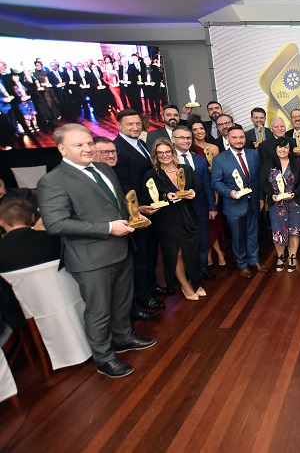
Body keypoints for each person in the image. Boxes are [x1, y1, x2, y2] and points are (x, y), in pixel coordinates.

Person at [37, 124, 156, 378]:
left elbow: (116, 205)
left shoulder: (104, 169)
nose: (87, 148)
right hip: (90, 259)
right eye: (78, 145)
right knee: (99, 311)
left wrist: (135, 216)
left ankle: (123, 338)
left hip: (121, 249)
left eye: (89, 143)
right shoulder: (52, 181)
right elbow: (56, 224)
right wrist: (108, 228)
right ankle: (104, 358)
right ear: (62, 149)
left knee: (122, 302)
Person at [112, 109, 161, 320]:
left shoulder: (141, 143)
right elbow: (123, 181)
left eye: (137, 124)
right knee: (141, 255)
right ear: (119, 126)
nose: (135, 127)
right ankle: (143, 296)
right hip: (136, 211)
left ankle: (151, 286)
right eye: (130, 124)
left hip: (151, 207)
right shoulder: (117, 148)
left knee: (151, 251)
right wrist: (137, 207)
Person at [142, 139, 205, 300]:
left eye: (167, 152)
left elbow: (197, 187)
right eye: (160, 153)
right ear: (155, 155)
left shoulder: (185, 169)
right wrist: (166, 196)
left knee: (191, 251)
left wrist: (193, 192)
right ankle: (185, 286)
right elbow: (147, 197)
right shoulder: (151, 174)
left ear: (172, 152)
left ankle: (194, 282)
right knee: (176, 253)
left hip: (188, 216)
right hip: (167, 219)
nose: (164, 155)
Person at [0, 198, 61, 332]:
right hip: (68, 300)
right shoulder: (55, 240)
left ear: (1, 222)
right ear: (32, 217)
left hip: (28, 315)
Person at [211, 125, 264, 278]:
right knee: (238, 237)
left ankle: (254, 260)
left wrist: (261, 197)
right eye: (234, 137)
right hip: (234, 205)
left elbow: (258, 178)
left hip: (253, 202)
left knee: (253, 234)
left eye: (241, 137)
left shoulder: (254, 154)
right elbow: (215, 182)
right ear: (228, 139)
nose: (239, 140)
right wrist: (230, 192)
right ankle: (242, 264)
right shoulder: (220, 159)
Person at [171, 125, 218, 282]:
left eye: (188, 138)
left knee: (203, 240)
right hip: (178, 209)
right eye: (182, 138)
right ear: (173, 140)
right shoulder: (169, 160)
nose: (186, 141)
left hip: (200, 207)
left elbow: (207, 186)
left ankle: (202, 269)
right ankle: (188, 273)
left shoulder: (200, 159)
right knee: (184, 243)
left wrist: (212, 206)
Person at [262, 137, 300, 271]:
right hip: (276, 204)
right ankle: (281, 257)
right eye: (280, 147)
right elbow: (263, 182)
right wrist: (271, 194)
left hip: (295, 203)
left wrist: (295, 193)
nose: (283, 150)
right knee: (278, 231)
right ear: (275, 148)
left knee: (294, 231)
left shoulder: (296, 162)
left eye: (286, 147)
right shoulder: (268, 162)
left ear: (290, 149)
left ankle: (293, 256)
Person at [189, 119, 227, 268]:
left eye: (201, 128)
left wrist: (216, 196)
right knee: (202, 226)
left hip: (212, 189)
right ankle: (210, 254)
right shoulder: (189, 149)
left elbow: (217, 172)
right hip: (196, 192)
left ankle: (218, 254)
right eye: (195, 129)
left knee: (213, 223)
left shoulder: (214, 147)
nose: (199, 132)